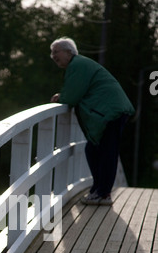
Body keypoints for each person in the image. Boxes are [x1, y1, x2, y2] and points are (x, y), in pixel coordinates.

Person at [50, 37, 135, 205]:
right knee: (93, 150)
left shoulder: (77, 65)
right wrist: (64, 96)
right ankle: (98, 190)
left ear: (69, 52)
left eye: (55, 52)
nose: (52, 56)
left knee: (106, 152)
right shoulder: (79, 64)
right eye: (51, 53)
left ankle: (103, 194)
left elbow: (72, 97)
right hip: (110, 111)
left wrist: (60, 98)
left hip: (111, 112)